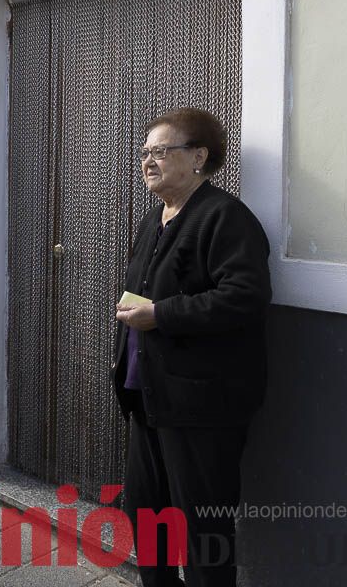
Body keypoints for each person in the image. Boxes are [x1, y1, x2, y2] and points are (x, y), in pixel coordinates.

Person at [113, 107, 272, 587]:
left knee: (203, 532)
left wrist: (160, 315)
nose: (148, 161)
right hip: (150, 399)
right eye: (145, 152)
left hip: (202, 406)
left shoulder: (225, 217)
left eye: (161, 151)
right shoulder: (154, 219)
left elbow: (244, 297)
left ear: (199, 157)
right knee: (147, 515)